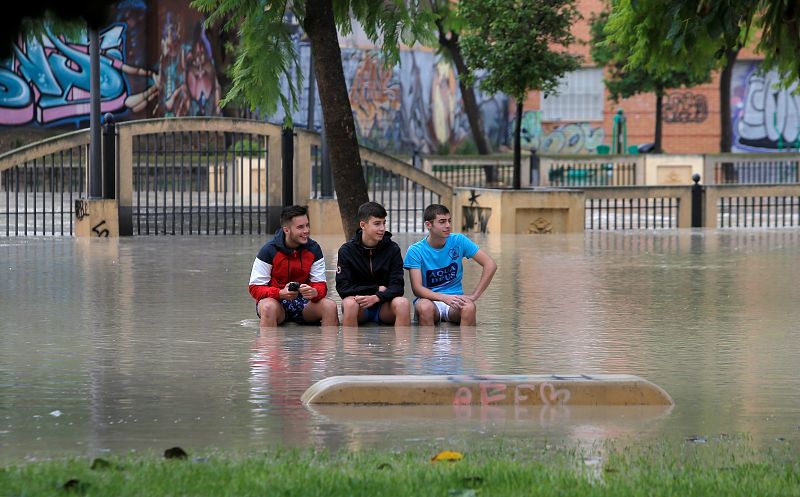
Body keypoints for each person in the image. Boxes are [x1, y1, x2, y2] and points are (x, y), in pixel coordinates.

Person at [403, 204, 497, 326]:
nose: (447, 225)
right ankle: (426, 345)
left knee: (469, 307)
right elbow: (417, 289)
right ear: (428, 225)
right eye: (442, 222)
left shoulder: (459, 240)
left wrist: (474, 295)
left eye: (449, 221)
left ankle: (466, 345)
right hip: (429, 301)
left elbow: (490, 264)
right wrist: (444, 298)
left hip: (455, 301)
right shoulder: (415, 251)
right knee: (424, 307)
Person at [248, 205, 339, 327]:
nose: (306, 230)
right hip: (275, 301)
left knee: (330, 306)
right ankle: (267, 346)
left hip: (305, 303)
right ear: (286, 230)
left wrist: (315, 292)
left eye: (307, 225)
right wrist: (280, 293)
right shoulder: (268, 251)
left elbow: (321, 284)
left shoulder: (314, 249)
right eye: (300, 227)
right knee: (268, 307)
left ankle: (326, 346)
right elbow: (255, 288)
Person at [336, 202, 411, 326]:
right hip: (359, 306)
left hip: (384, 305)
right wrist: (374, 289)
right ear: (363, 225)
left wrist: (377, 296)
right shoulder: (347, 250)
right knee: (349, 304)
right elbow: (343, 288)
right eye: (377, 224)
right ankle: (349, 345)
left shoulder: (392, 249)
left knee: (403, 303)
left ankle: (402, 345)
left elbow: (398, 287)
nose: (382, 228)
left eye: (384, 223)